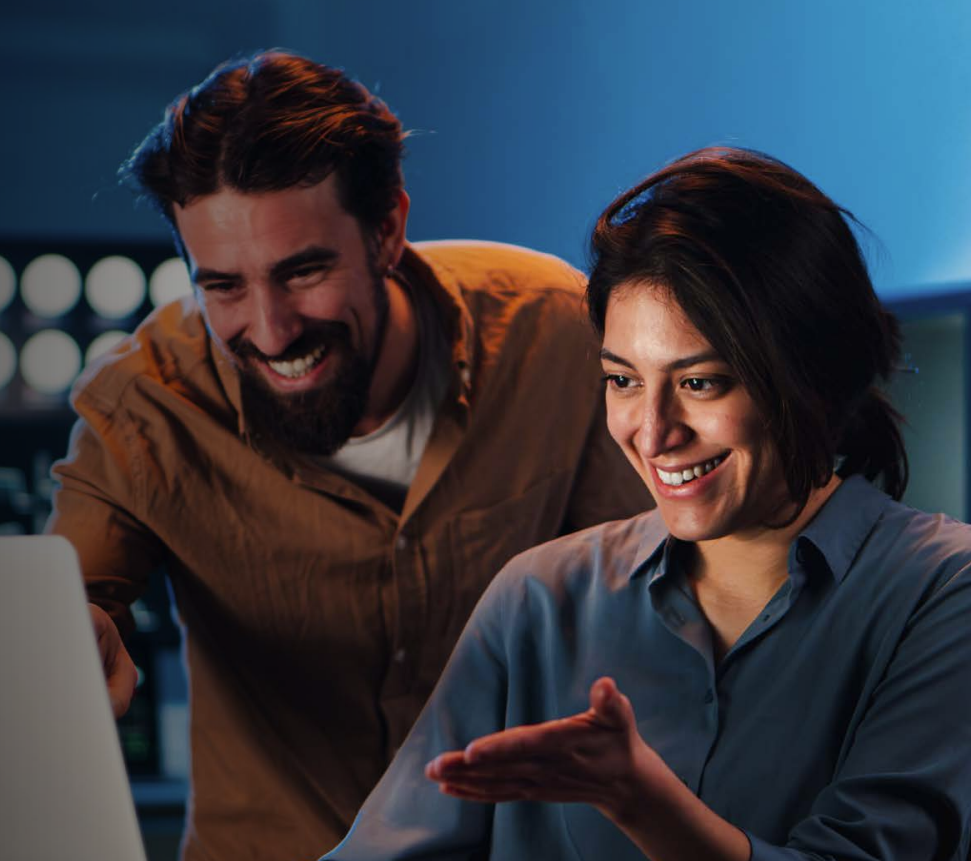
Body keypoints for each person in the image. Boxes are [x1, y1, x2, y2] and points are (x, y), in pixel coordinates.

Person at [45, 50, 653, 860]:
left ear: (388, 228)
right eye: (222, 285)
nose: (270, 329)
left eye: (303, 271)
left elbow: (665, 587)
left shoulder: (556, 334)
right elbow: (68, 601)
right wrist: (73, 638)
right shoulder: (143, 404)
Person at [321, 147, 971, 861]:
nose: (652, 431)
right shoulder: (537, 600)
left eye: (700, 383)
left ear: (812, 374)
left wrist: (637, 797)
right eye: (622, 380)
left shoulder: (941, 591)